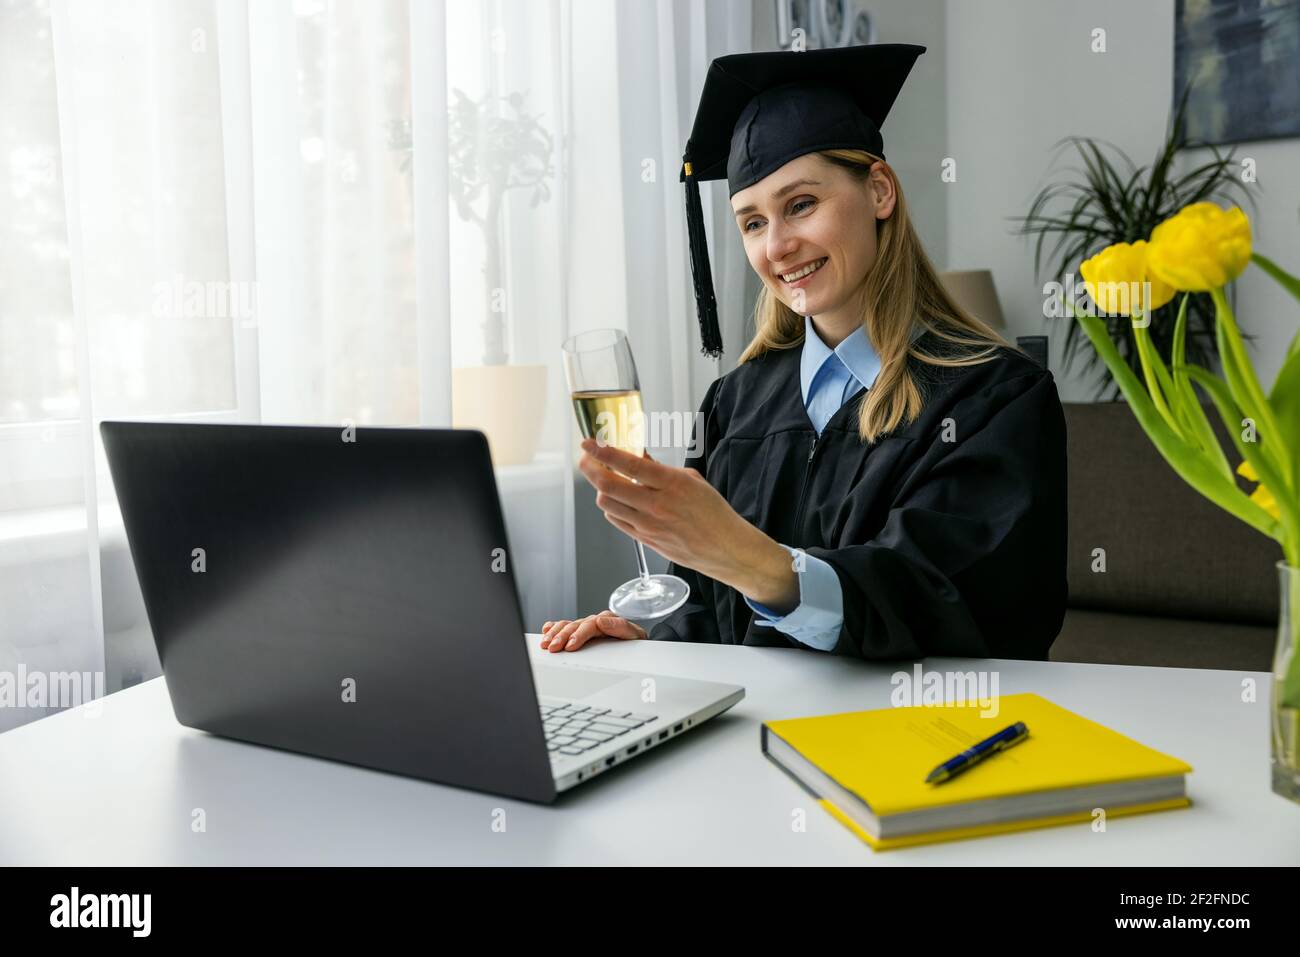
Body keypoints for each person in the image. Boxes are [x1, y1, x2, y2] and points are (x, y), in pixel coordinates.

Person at [541, 44, 1067, 659]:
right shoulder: (736, 403)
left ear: (879, 191)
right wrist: (655, 636)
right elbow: (715, 611)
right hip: (752, 737)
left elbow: (957, 604)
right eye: (752, 222)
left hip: (912, 737)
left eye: (800, 205)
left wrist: (761, 565)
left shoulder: (996, 398)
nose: (779, 246)